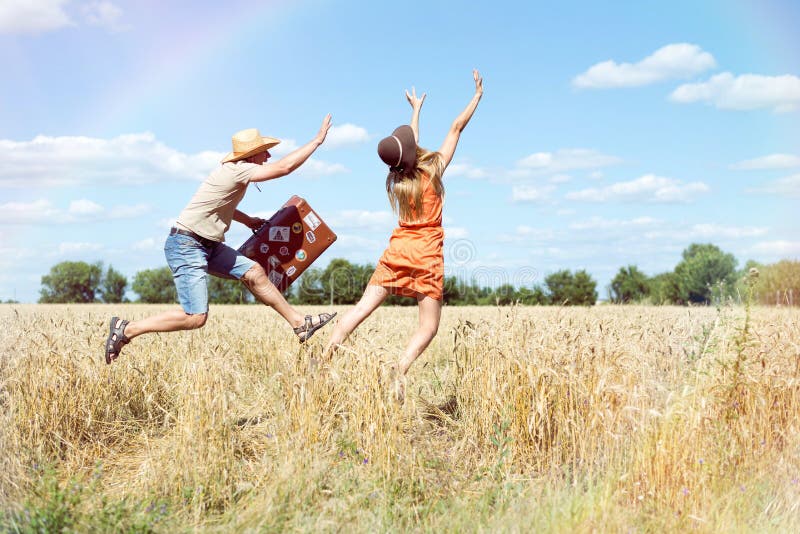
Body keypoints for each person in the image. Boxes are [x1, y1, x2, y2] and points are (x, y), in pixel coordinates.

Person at [105, 117, 337, 364]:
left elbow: (222, 204)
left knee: (254, 273)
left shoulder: (232, 173)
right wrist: (316, 141)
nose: (268, 156)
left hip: (207, 245)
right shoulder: (238, 169)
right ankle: (126, 329)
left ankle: (299, 324)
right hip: (187, 245)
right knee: (195, 317)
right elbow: (283, 168)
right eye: (264, 152)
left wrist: (248, 221)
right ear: (252, 155)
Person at [323, 71, 483, 400]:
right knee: (428, 327)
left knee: (360, 310)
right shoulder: (433, 170)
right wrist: (477, 96)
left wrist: (416, 110)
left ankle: (323, 357)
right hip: (425, 255)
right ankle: (398, 370)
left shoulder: (396, 180)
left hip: (397, 251)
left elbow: (409, 145)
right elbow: (456, 127)